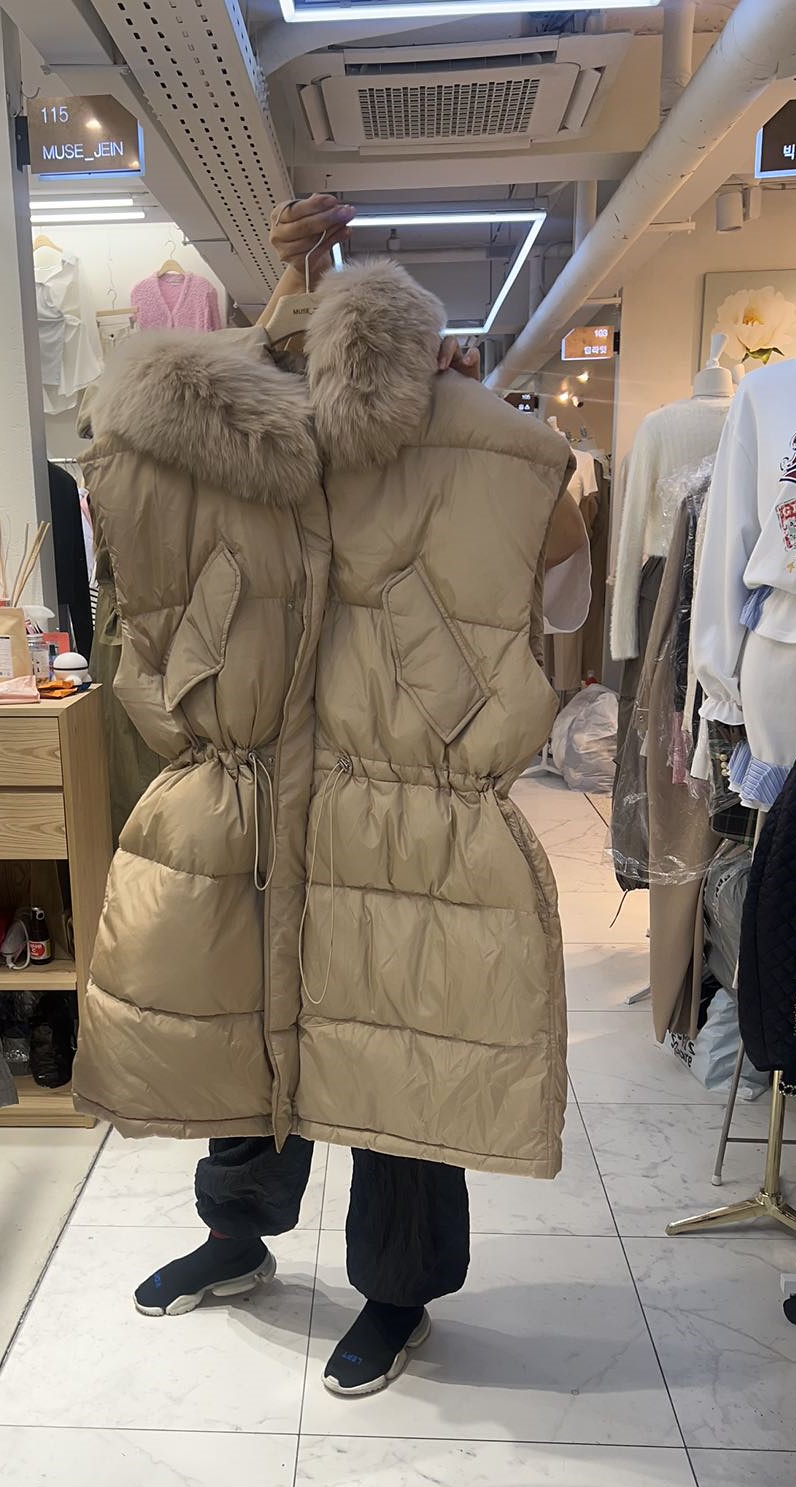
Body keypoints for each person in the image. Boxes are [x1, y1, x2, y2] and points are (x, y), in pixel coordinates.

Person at [131, 195, 584, 1398]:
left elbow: (561, 592)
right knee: (247, 1023)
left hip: (403, 788)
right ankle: (235, 1235)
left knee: (398, 1040)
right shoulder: (201, 433)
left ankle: (397, 1291)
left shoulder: (473, 438)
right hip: (247, 775)